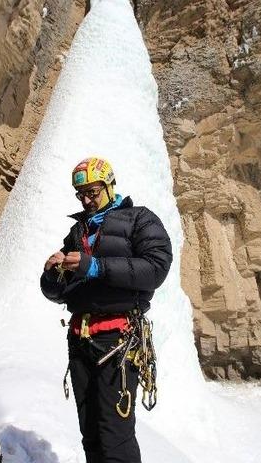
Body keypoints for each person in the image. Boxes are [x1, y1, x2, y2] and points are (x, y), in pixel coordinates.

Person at [40, 157, 172, 463]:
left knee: (113, 434)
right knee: (91, 432)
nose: (86, 200)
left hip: (118, 339)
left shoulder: (139, 219)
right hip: (81, 339)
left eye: (93, 192)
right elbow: (58, 293)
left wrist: (95, 266)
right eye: (81, 195)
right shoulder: (77, 232)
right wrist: (52, 276)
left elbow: (156, 268)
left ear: (109, 185)